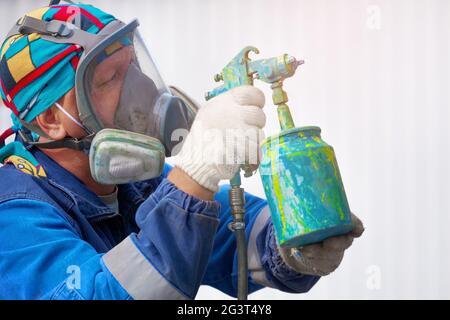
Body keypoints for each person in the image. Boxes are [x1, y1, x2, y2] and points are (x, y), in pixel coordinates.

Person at [0, 2, 364, 300]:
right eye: (110, 78)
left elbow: (234, 233)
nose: (139, 89)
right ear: (50, 119)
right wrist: (195, 176)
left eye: (134, 66)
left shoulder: (138, 188)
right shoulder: (14, 217)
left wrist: (295, 239)